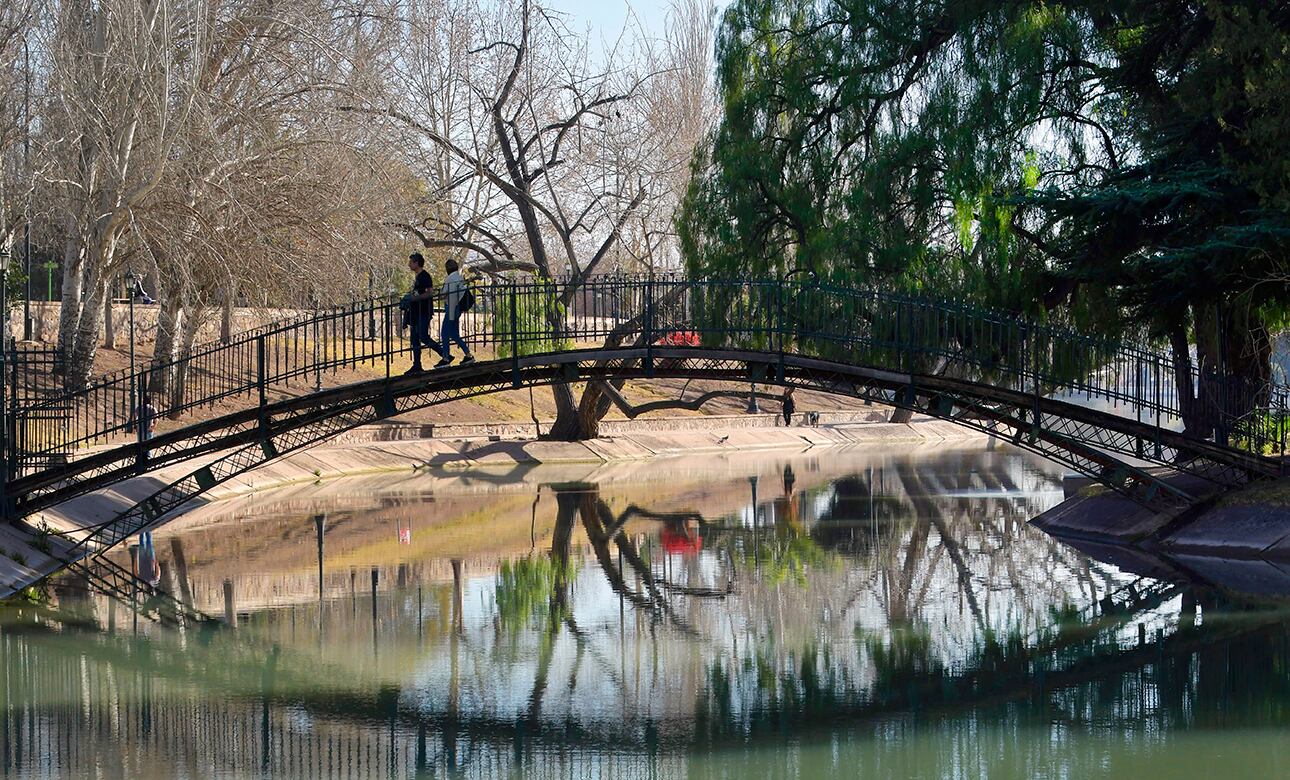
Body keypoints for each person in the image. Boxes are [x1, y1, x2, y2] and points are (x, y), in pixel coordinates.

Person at [405, 253, 441, 374]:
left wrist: (416, 298)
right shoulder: (417, 277)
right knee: (415, 339)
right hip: (416, 312)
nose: (409, 264)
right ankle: (417, 365)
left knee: (423, 336)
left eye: (411, 262)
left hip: (423, 311)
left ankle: (444, 354)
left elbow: (430, 293)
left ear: (416, 263)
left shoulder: (425, 276)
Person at [436, 259, 475, 367]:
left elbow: (444, 294)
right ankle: (468, 355)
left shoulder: (450, 278)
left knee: (444, 333)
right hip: (457, 308)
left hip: (452, 307)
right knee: (453, 334)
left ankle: (446, 358)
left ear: (447, 268)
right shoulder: (459, 277)